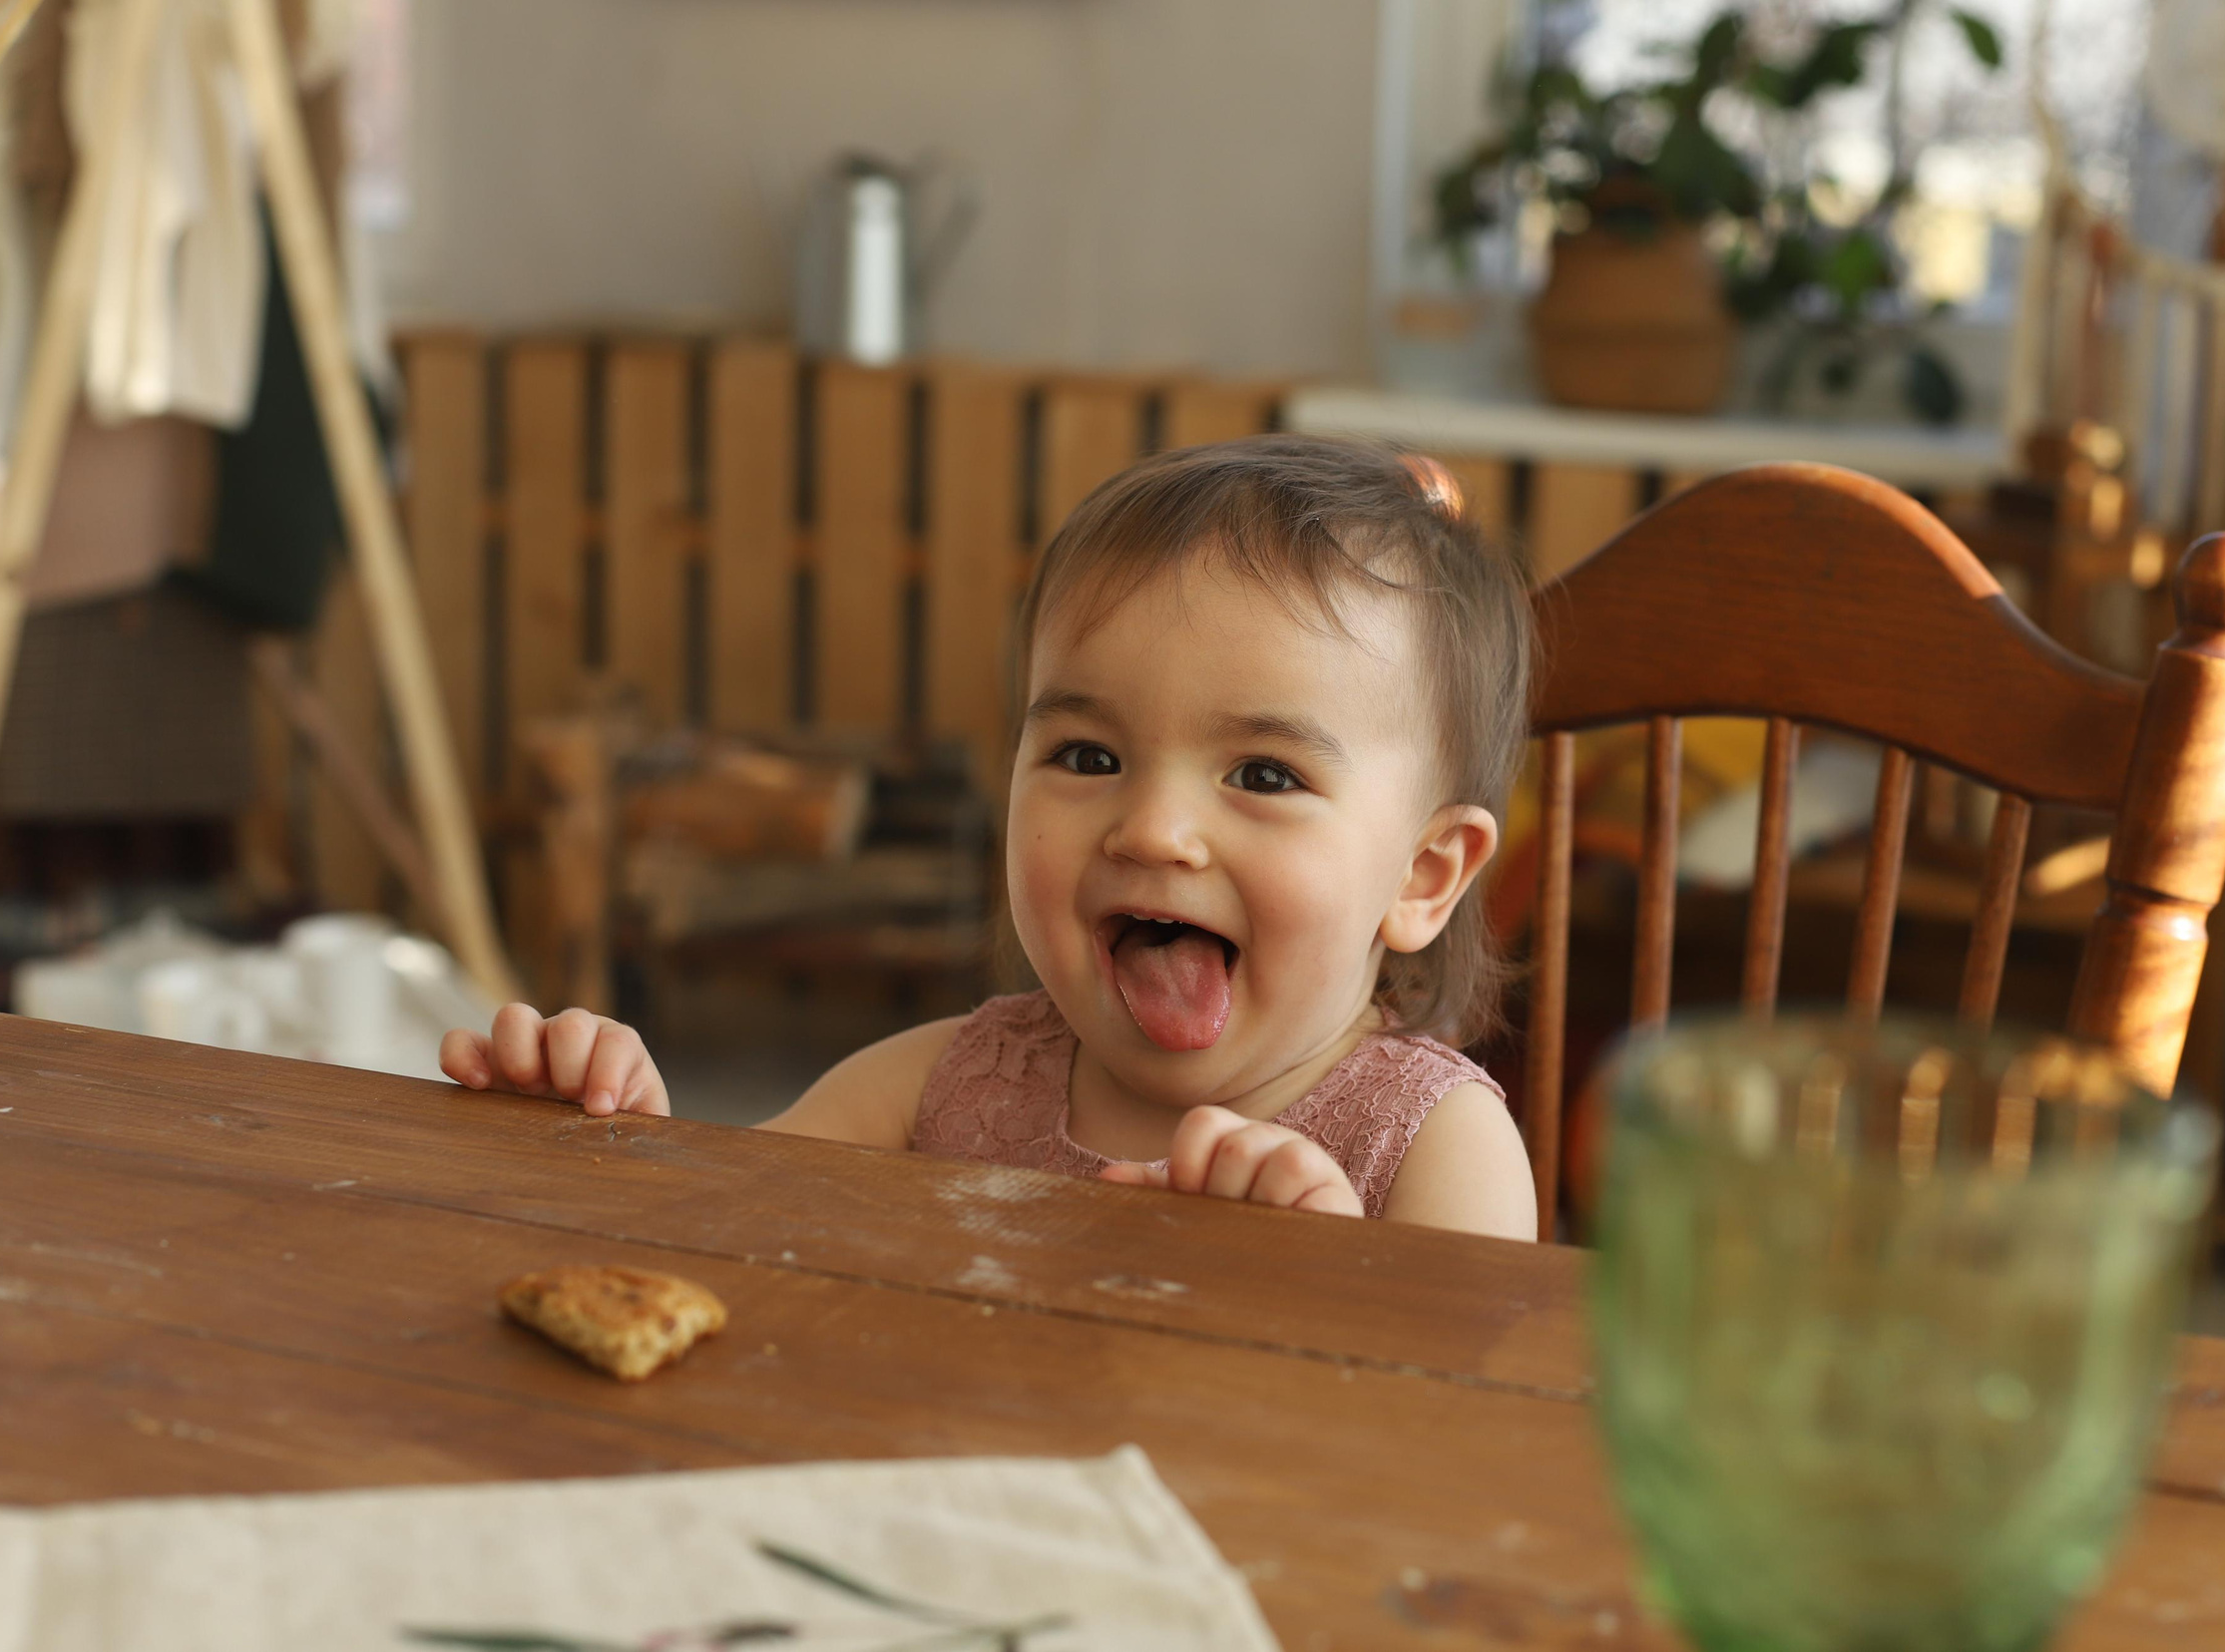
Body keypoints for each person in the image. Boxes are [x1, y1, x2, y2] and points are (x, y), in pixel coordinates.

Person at [439, 437, 1540, 1239]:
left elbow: (1464, 1444)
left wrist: (1330, 1288)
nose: (1153, 830)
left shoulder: (1435, 1149)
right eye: (1089, 757)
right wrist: (606, 1143)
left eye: (1262, 774)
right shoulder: (946, 1087)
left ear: (1423, 874)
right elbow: (714, 1218)